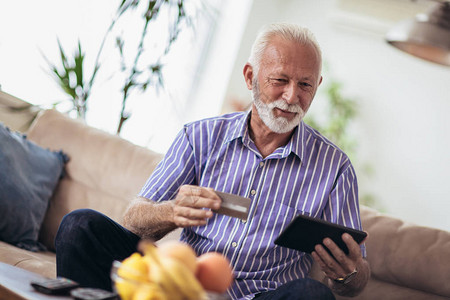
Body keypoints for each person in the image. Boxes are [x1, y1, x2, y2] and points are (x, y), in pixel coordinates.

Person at [56, 22, 370, 299]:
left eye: (305, 84)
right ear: (250, 76)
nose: (291, 97)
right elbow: (135, 219)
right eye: (280, 80)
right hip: (180, 287)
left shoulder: (335, 168)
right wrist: (172, 211)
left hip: (260, 295)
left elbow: (354, 283)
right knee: (80, 225)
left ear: (317, 85)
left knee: (313, 294)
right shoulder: (200, 136)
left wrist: (348, 273)